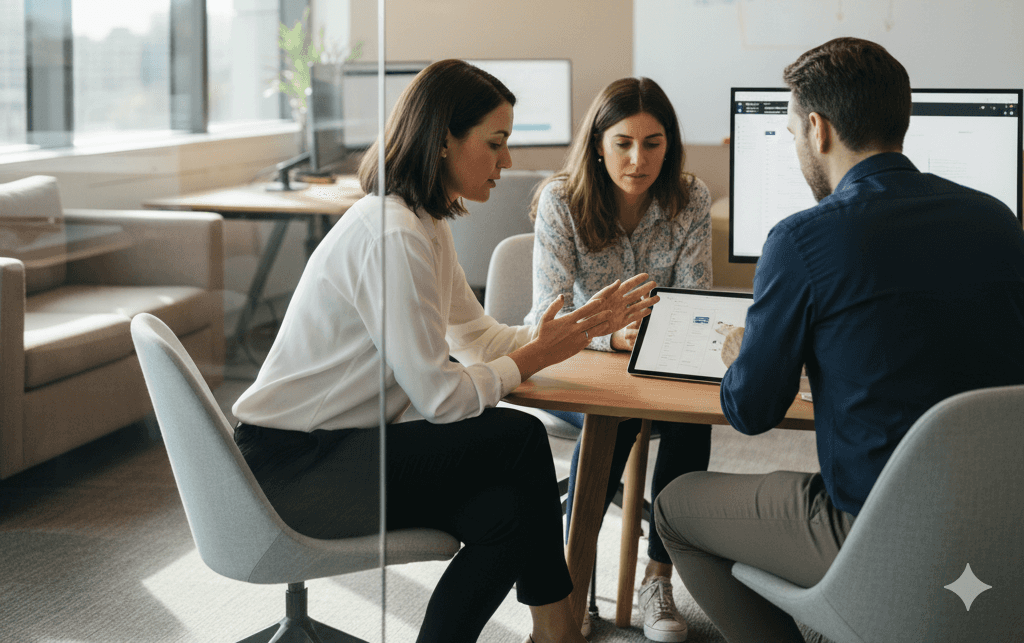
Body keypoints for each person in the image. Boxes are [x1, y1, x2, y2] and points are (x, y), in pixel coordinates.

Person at [231, 60, 660, 643]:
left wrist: (571, 334)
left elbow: (478, 339)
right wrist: (536, 356)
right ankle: (556, 630)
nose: (506, 162)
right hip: (295, 468)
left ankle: (550, 631)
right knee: (519, 438)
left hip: (348, 449)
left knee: (507, 515)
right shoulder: (393, 235)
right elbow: (439, 399)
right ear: (440, 142)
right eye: (496, 143)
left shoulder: (424, 224)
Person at [653, 37, 1024, 643]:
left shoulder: (803, 239)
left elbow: (751, 411)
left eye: (792, 130)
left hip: (872, 534)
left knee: (673, 508)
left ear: (818, 130)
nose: (796, 144)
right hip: (1004, 526)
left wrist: (746, 355)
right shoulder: (1000, 221)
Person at [528, 76, 713, 642]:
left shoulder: (690, 198)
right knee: (620, 413)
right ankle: (571, 587)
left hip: (662, 361)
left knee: (693, 411)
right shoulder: (562, 200)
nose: (639, 160)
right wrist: (611, 338)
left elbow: (697, 301)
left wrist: (661, 337)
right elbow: (545, 317)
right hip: (583, 368)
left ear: (670, 143)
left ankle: (658, 579)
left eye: (653, 143)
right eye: (623, 143)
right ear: (598, 145)